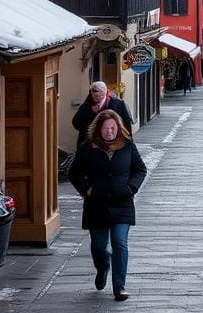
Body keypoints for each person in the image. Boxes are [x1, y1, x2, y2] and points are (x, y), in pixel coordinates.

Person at [67, 109, 147, 302]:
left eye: (112, 128)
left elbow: (140, 169)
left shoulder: (127, 145)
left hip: (122, 202)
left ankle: (119, 287)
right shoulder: (88, 148)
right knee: (99, 246)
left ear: (118, 128)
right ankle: (103, 268)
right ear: (98, 129)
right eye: (106, 128)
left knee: (120, 243)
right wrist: (88, 190)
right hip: (97, 205)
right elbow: (74, 173)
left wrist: (131, 188)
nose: (109, 132)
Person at [72, 82, 134, 148]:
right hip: (90, 144)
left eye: (95, 91)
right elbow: (76, 122)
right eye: (91, 91)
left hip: (113, 143)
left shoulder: (118, 105)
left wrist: (128, 143)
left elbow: (127, 125)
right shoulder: (86, 106)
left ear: (103, 92)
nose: (93, 93)